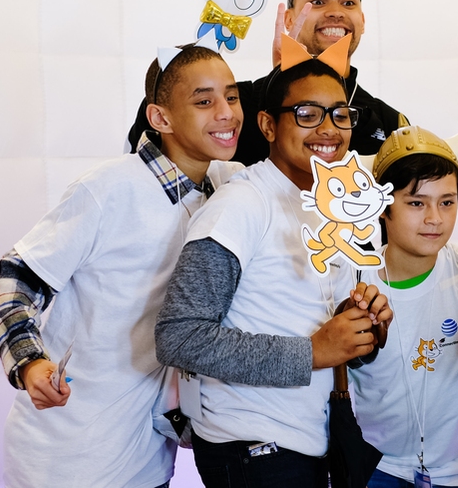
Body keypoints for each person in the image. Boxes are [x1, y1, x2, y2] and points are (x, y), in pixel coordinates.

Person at [0, 42, 245, 487]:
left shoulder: (229, 186)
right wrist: (30, 363)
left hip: (147, 457)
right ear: (160, 118)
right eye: (204, 101)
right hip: (65, 456)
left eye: (233, 96)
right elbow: (16, 274)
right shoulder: (109, 187)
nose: (226, 112)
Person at [154, 33, 393, 488]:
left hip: (310, 444)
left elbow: (315, 327)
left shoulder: (332, 206)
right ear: (267, 126)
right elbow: (179, 336)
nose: (329, 129)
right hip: (252, 449)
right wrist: (314, 351)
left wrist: (362, 326)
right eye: (307, 114)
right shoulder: (242, 203)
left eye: (340, 115)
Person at [127, 0, 407, 164]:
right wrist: (280, 90)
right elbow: (153, 134)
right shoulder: (238, 104)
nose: (335, 12)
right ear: (289, 19)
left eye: (348, 3)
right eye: (318, 2)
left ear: (362, 20)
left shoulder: (389, 121)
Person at [349, 116, 458, 488]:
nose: (434, 219)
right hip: (374, 470)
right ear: (381, 206)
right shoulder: (352, 282)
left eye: (447, 202)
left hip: (456, 475)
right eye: (415, 202)